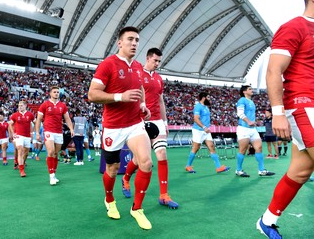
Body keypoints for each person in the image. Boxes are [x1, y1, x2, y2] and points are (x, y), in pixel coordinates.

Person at [257, 0, 314, 238]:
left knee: (300, 171)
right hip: (303, 106)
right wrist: (278, 114)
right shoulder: (294, 27)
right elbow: (273, 70)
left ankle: (267, 221)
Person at [88, 26, 153, 230]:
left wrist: (142, 104)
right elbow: (92, 94)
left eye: (137, 40)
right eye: (130, 39)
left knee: (146, 162)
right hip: (113, 126)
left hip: (134, 123)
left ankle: (137, 208)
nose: (134, 43)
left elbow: (140, 87)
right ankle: (109, 200)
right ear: (120, 42)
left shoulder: (138, 67)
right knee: (112, 169)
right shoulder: (108, 65)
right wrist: (120, 97)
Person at [122, 47, 180, 209]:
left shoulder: (159, 79)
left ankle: (164, 195)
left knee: (162, 154)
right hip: (140, 121)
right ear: (148, 59)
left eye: (159, 61)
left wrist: (165, 122)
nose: (157, 64)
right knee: (138, 159)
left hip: (157, 121)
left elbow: (161, 101)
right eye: (155, 60)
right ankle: (126, 179)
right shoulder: (137, 72)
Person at [184, 91, 230, 175]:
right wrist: (204, 127)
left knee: (211, 146)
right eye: (208, 97)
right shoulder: (198, 106)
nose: (210, 99)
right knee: (195, 148)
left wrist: (207, 127)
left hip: (206, 131)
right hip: (198, 130)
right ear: (204, 98)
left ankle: (218, 167)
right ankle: (188, 166)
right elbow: (196, 119)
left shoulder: (206, 107)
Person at [35, 86, 74, 185]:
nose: (56, 93)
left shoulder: (63, 105)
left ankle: (54, 173)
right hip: (48, 130)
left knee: (56, 153)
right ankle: (51, 176)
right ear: (50, 93)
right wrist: (37, 133)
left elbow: (67, 118)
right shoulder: (45, 105)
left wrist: (71, 128)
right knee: (51, 151)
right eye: (54, 92)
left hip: (58, 132)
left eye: (58, 92)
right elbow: (39, 119)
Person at [235, 85, 275, 178]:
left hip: (252, 129)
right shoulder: (242, 100)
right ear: (244, 92)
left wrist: (253, 122)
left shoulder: (252, 102)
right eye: (250, 89)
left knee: (259, 147)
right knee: (243, 150)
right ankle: (238, 170)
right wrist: (248, 121)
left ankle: (261, 170)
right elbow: (240, 113)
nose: (252, 90)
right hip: (243, 128)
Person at [8, 101, 35, 177]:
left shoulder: (30, 114)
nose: (20, 107)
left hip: (27, 136)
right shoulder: (15, 115)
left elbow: (35, 122)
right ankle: (21, 170)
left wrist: (32, 133)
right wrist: (13, 133)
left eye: (21, 105)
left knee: (26, 153)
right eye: (19, 105)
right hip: (19, 135)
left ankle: (21, 163)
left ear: (25, 106)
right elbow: (10, 124)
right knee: (20, 150)